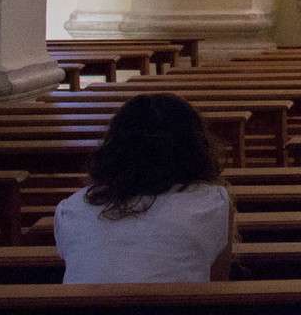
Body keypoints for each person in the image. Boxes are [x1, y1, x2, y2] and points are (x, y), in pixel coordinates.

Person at [54, 94, 234, 284]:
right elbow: (216, 286)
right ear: (194, 148)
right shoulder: (213, 202)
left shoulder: (71, 209)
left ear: (114, 148)